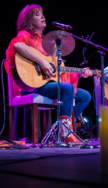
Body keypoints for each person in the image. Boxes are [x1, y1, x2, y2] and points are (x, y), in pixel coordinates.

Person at [5, 4, 93, 143]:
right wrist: (42, 61)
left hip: (47, 84)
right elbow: (17, 45)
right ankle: (65, 134)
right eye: (38, 14)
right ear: (28, 19)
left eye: (43, 14)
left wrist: (80, 73)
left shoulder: (47, 44)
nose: (43, 17)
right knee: (67, 88)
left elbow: (58, 74)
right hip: (32, 86)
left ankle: (63, 128)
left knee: (85, 96)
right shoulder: (25, 36)